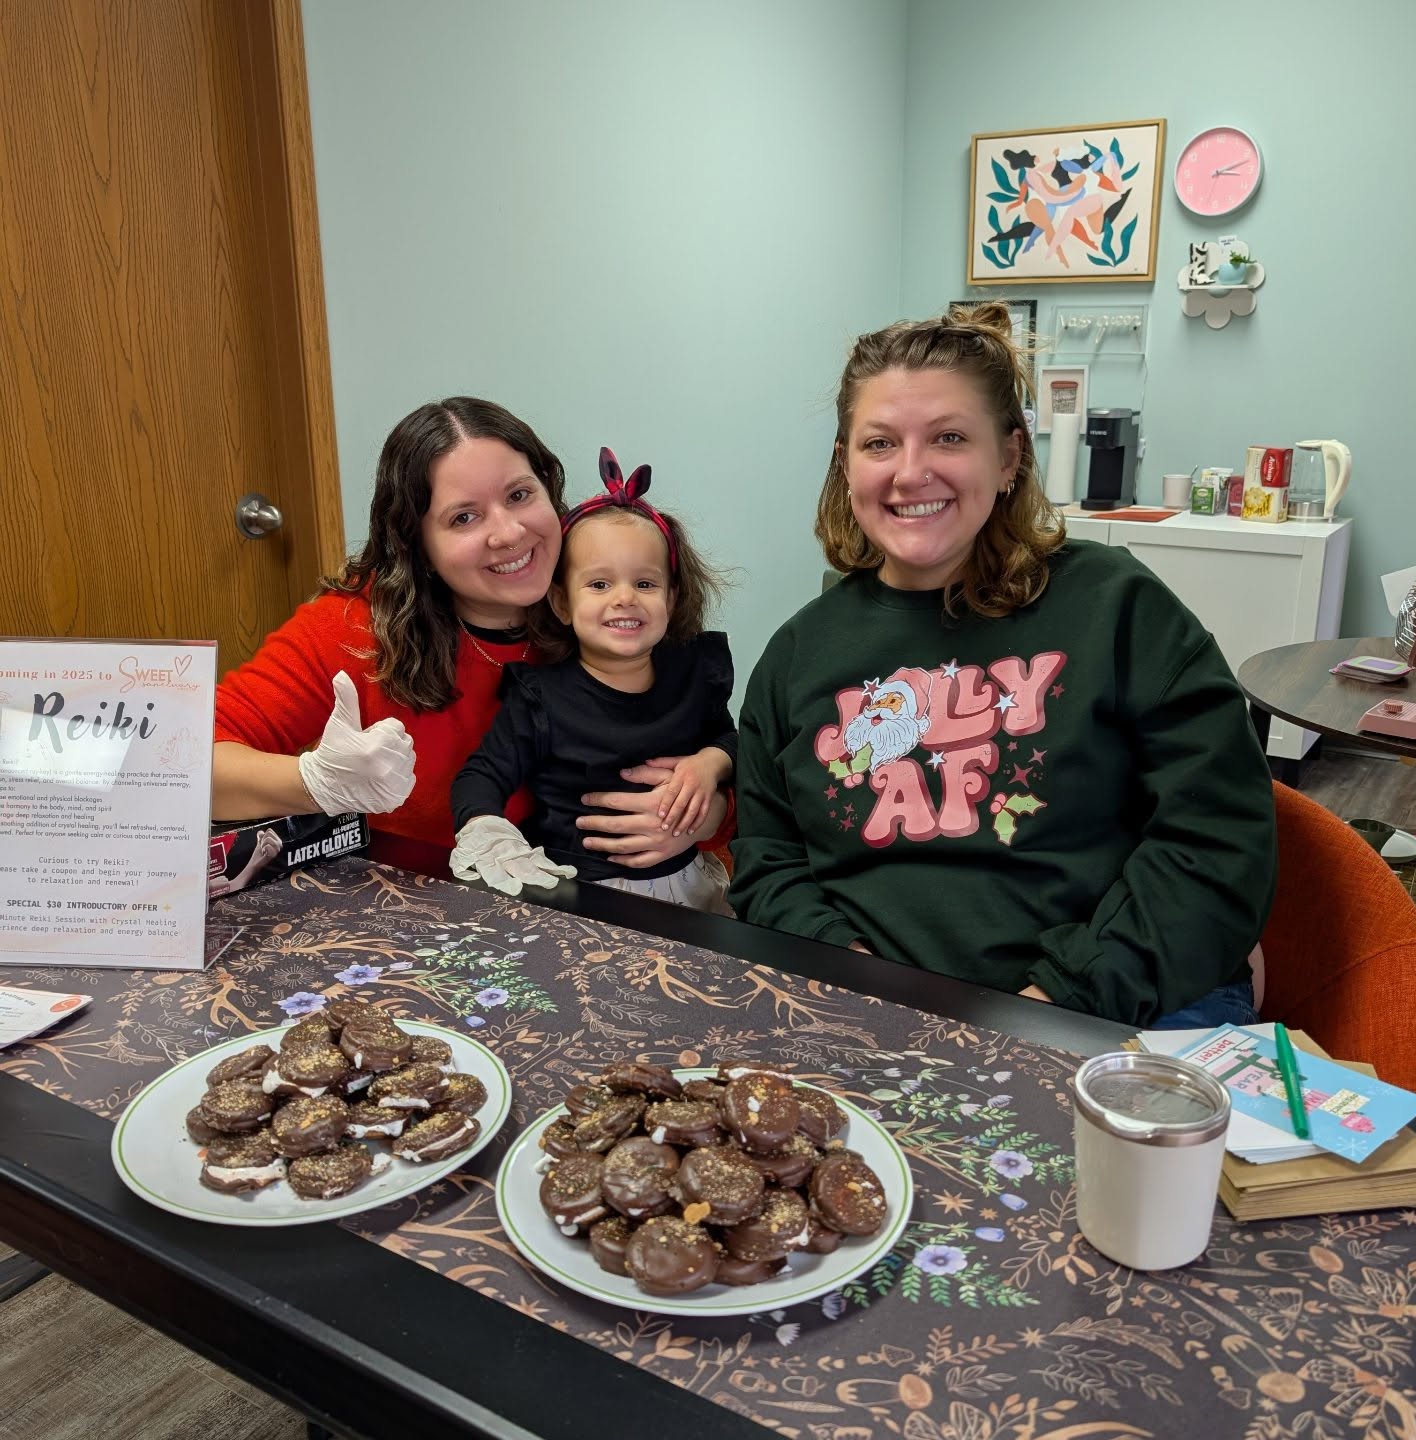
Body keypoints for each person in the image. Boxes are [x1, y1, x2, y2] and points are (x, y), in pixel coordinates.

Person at [730, 303, 1277, 1028]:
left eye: (949, 437)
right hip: (867, 1009)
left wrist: (1053, 1008)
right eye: (879, 443)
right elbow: (769, 862)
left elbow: (1216, 838)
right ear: (846, 465)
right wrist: (851, 978)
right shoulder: (799, 653)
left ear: (1010, 455)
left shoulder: (1118, 608)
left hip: (1108, 1005)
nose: (910, 471)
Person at [211, 399, 728, 879]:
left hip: (586, 908)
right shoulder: (351, 631)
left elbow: (746, 792)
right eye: (464, 517)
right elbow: (179, 767)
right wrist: (314, 782)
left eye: (520, 495)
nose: (507, 533)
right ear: (417, 544)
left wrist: (701, 819)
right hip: (409, 911)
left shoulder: (616, 605)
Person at [449, 448, 735, 913]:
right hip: (577, 895)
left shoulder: (692, 674)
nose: (625, 599)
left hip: (687, 888)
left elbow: (730, 739)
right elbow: (480, 776)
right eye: (599, 585)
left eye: (645, 584)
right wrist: (486, 829)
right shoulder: (541, 699)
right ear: (562, 604)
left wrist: (710, 764)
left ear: (671, 597)